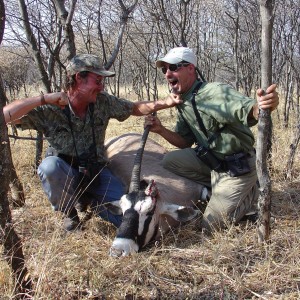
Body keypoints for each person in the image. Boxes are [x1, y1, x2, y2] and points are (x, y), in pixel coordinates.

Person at [3, 53, 181, 231]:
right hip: (66, 172)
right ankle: (70, 214)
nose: (101, 86)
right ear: (79, 78)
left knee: (125, 219)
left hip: (96, 172)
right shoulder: (50, 108)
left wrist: (165, 103)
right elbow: (5, 117)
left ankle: (94, 204)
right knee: (50, 168)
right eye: (97, 80)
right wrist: (43, 99)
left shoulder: (103, 102)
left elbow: (133, 108)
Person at [145, 47, 279, 233]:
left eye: (173, 67)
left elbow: (248, 110)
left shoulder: (213, 92)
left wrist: (262, 106)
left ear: (190, 68)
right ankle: (214, 190)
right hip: (212, 162)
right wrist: (160, 130)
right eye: (164, 69)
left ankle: (250, 197)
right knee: (170, 161)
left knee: (209, 226)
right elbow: (184, 142)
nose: (168, 73)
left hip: (238, 168)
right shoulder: (183, 100)